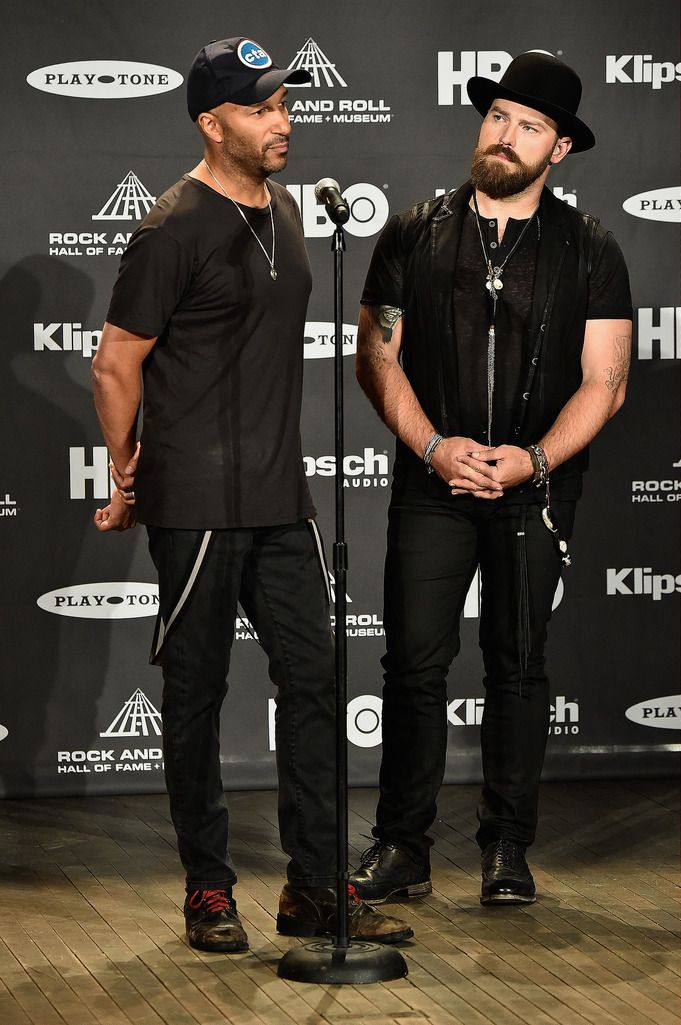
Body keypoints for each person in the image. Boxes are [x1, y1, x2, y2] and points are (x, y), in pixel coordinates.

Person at [92, 36, 412, 953]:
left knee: (313, 685)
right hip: (193, 499)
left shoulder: (287, 212)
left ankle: (315, 888)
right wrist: (126, 470)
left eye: (285, 104)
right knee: (193, 695)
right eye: (262, 107)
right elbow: (117, 362)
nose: (283, 120)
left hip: (282, 500)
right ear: (211, 122)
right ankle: (207, 887)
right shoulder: (171, 225)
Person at [349, 53, 632, 907]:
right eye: (499, 115)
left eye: (530, 126)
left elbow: (606, 379)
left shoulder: (591, 249)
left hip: (534, 491)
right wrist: (434, 446)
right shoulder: (410, 231)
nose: (506, 136)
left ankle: (507, 849)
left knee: (517, 666)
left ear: (560, 150)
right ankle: (402, 847)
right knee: (413, 668)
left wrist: (533, 460)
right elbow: (376, 355)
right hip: (432, 483)